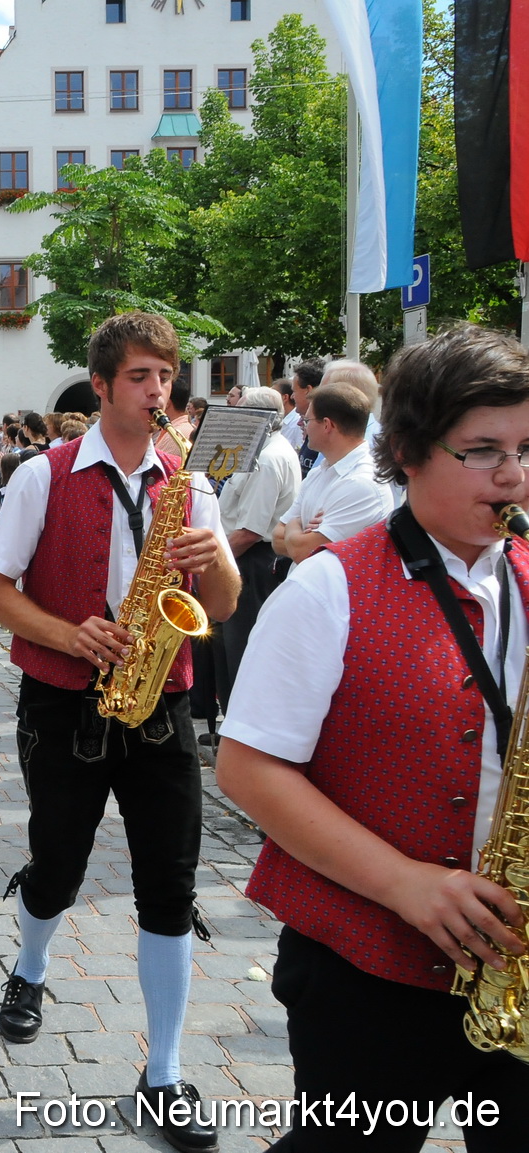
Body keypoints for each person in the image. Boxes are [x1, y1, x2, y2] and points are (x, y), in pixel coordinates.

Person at [217, 324, 529, 1150]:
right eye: (483, 451)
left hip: (514, 960)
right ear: (410, 452)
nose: (513, 475)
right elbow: (245, 767)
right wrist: (403, 883)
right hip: (364, 975)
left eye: (526, 449)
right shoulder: (327, 588)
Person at [0, 312, 240, 1153]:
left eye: (165, 375)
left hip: (161, 701)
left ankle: (162, 1072)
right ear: (99, 385)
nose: (158, 391)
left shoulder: (190, 482)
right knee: (56, 862)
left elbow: (223, 603)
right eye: (139, 376)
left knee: (169, 883)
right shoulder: (42, 475)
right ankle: (30, 966)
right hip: (64, 700)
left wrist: (212, 557)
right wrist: (68, 633)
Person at [212, 387, 300, 721]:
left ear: (259, 418)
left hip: (250, 560)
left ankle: (240, 727)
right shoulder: (261, 450)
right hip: (244, 556)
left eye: (241, 412)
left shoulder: (268, 459)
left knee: (241, 650)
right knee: (228, 648)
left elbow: (249, 531)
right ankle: (230, 721)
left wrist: (213, 564)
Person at [274, 383, 394, 567]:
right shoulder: (320, 472)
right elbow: (276, 539)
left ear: (327, 425)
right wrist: (300, 531)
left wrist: (293, 524)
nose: (302, 425)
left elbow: (302, 551)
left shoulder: (362, 483)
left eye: (307, 420)